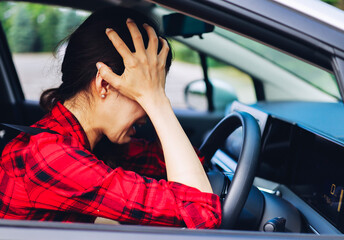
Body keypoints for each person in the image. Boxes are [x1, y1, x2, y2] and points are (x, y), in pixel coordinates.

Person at [0, 7, 221, 229]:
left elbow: (190, 162)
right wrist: (157, 103)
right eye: (142, 93)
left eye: (151, 93)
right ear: (104, 84)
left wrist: (155, 98)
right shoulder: (50, 156)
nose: (147, 113)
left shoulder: (92, 142)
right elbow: (201, 214)